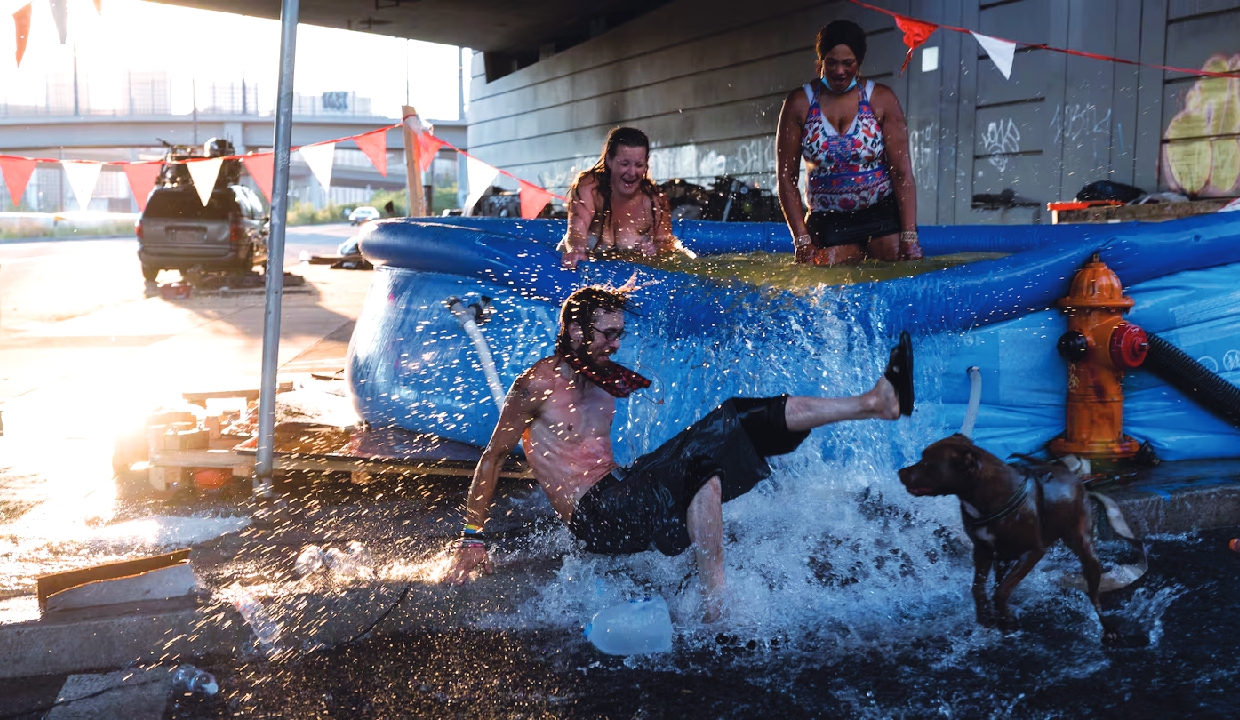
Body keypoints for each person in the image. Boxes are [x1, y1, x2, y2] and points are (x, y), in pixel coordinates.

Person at [443, 284, 915, 621]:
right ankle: (716, 607)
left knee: (736, 421)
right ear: (573, 329)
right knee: (699, 468)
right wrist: (472, 538)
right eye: (606, 334)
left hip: (621, 488)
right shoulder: (536, 384)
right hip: (595, 517)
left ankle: (874, 403)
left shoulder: (603, 377)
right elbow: (493, 458)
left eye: (619, 333)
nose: (615, 344)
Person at [776, 19, 923, 266]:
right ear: (820, 62)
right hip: (828, 218)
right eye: (831, 63)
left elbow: (901, 172)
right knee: (824, 278)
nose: (839, 71)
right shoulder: (799, 104)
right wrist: (801, 240)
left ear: (859, 62)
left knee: (895, 275)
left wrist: (909, 235)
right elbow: (786, 177)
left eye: (848, 63)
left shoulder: (881, 100)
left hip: (881, 213)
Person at [560, 127, 686, 269]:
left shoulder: (654, 200)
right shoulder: (590, 188)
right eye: (624, 164)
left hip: (630, 271)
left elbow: (667, 243)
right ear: (609, 160)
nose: (632, 172)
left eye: (639, 165)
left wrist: (656, 248)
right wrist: (576, 249)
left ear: (646, 163)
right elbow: (576, 230)